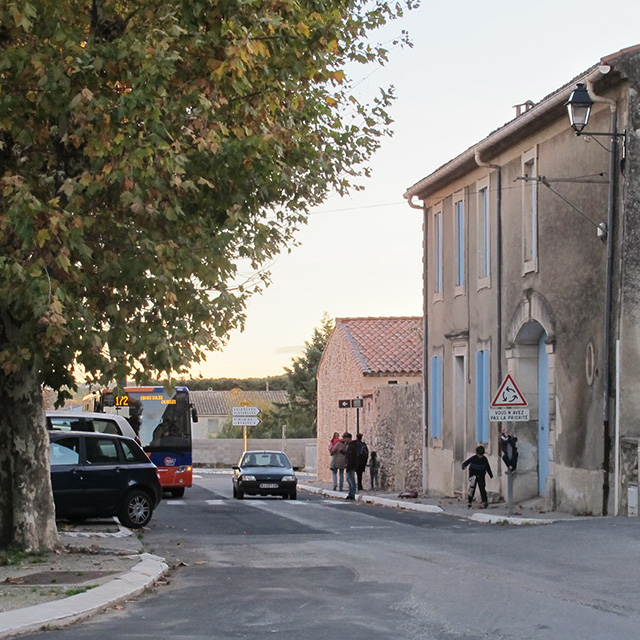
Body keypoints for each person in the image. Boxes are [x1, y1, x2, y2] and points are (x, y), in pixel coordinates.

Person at [344, 432, 358, 500]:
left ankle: (352, 494)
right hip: (350, 465)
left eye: (345, 438)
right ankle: (350, 493)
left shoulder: (351, 446)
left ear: (349, 438)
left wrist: (348, 467)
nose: (344, 439)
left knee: (351, 480)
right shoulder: (349, 445)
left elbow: (350, 458)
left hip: (351, 466)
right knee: (349, 480)